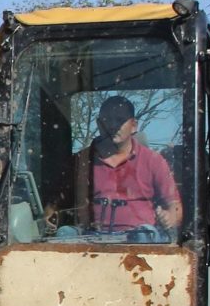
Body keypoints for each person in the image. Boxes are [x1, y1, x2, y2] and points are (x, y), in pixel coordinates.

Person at [67, 95, 180, 239]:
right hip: (90, 239)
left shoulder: (154, 161)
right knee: (65, 233)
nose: (113, 125)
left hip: (140, 243)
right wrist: (49, 215)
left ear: (134, 125)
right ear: (99, 123)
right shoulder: (80, 161)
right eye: (107, 120)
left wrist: (169, 217)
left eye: (120, 120)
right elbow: (56, 204)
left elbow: (175, 206)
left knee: (144, 235)